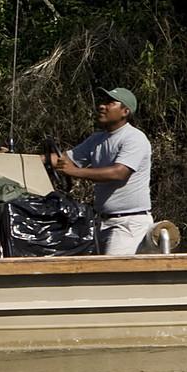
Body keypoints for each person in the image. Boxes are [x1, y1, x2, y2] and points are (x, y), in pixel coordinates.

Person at [50, 86, 154, 255]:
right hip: (102, 221)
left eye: (109, 103)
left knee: (112, 275)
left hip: (128, 223)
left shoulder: (134, 138)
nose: (101, 106)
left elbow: (119, 173)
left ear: (125, 111)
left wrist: (75, 172)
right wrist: (19, 159)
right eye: (102, 102)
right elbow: (63, 160)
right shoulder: (97, 139)